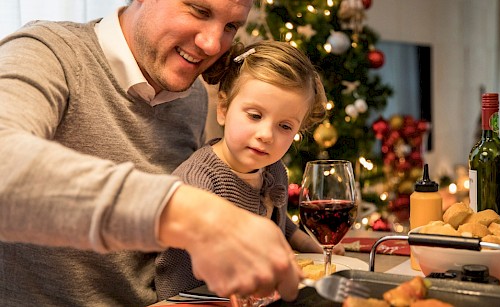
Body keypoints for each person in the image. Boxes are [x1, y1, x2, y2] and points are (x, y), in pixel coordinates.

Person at [0, 0, 303, 305]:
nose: (212, 45)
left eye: (231, 26)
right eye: (198, 10)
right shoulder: (46, 52)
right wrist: (195, 215)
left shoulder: (193, 96)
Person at [154, 40, 344, 300]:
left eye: (285, 126)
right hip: (192, 297)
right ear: (223, 110)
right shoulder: (199, 179)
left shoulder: (274, 170)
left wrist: (306, 243)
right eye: (255, 116)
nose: (266, 135)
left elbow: (279, 222)